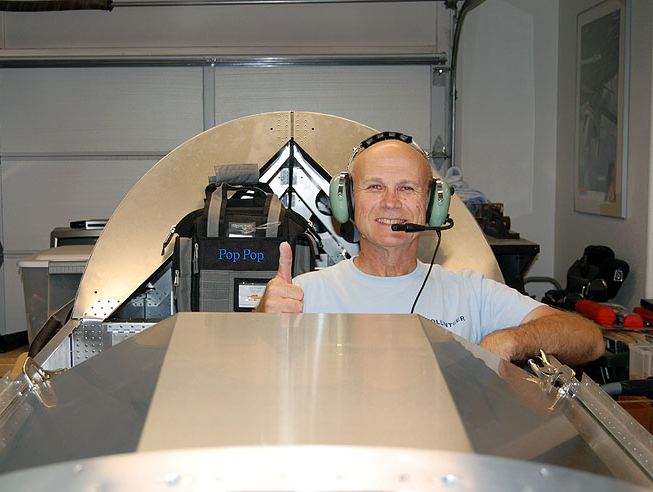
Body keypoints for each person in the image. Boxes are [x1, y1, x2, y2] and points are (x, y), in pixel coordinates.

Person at [254, 134, 605, 366]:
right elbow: (248, 375)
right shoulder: (304, 294)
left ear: (433, 205)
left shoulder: (469, 293)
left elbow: (589, 340)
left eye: (407, 188)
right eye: (375, 187)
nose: (391, 202)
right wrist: (262, 321)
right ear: (346, 202)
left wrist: (511, 340)